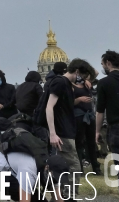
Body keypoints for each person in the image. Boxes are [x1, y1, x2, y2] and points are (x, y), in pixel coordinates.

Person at [46, 58, 95, 186]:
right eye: (82, 76)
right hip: (62, 131)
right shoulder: (61, 83)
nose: (82, 80)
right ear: (77, 71)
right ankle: (68, 196)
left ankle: (61, 195)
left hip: (65, 129)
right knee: (73, 165)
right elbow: (49, 106)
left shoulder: (65, 83)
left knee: (64, 165)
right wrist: (52, 133)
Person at [96, 50, 119, 201]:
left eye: (103, 64)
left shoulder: (104, 83)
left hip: (116, 127)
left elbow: (100, 111)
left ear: (108, 63)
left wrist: (97, 131)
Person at [0, 152, 69, 202]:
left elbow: (58, 198)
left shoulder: (52, 169)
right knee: (31, 199)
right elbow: (24, 200)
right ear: (47, 168)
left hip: (14, 168)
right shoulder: (29, 169)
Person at [73, 72, 100, 175]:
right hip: (78, 116)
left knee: (91, 143)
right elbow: (70, 101)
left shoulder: (86, 84)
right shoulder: (70, 85)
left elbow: (95, 72)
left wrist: (86, 80)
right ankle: (80, 169)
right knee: (79, 143)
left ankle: (96, 167)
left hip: (89, 115)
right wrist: (79, 100)